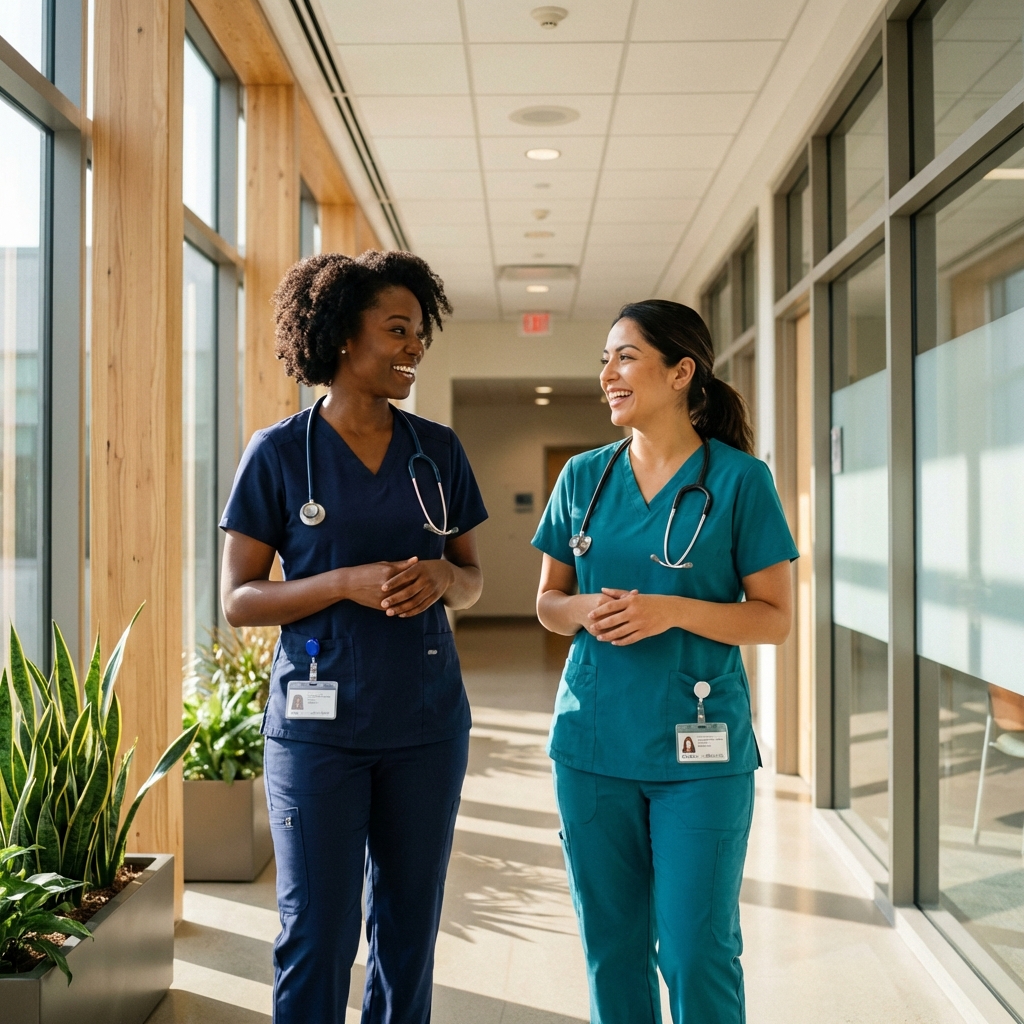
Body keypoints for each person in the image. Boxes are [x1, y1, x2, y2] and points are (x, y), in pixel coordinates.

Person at [219, 250, 487, 1024]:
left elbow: (472, 579)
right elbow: (239, 599)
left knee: (408, 930)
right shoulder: (278, 454)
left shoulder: (436, 451)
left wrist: (442, 579)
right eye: (397, 330)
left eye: (419, 332)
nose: (414, 347)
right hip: (315, 732)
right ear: (341, 337)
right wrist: (341, 582)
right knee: (318, 928)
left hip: (425, 721)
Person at [532, 299, 797, 1024]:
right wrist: (584, 610)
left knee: (695, 949)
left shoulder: (741, 481)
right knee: (612, 947)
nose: (608, 375)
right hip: (591, 746)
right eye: (604, 360)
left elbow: (774, 619)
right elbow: (549, 603)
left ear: (681, 372)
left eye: (625, 357)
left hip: (699, 752)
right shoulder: (583, 479)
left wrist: (671, 609)